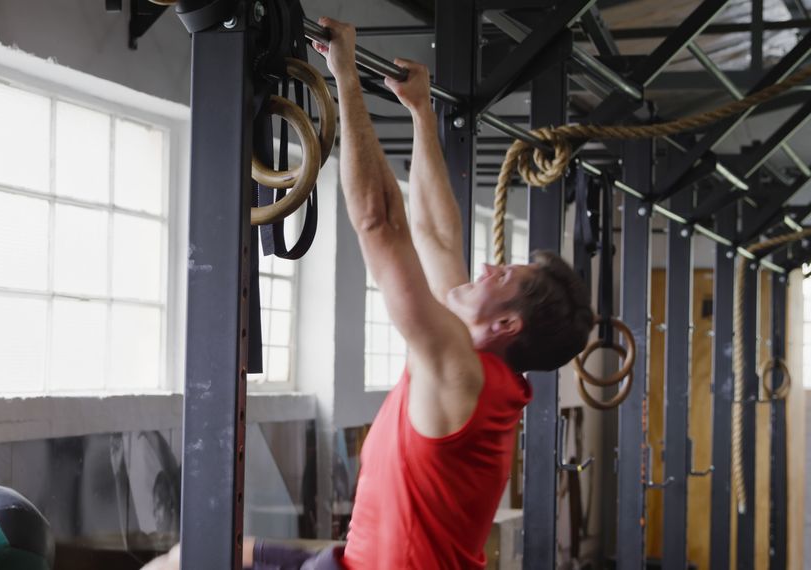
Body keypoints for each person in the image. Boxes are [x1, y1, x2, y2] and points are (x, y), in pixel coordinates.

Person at [144, 16, 593, 570]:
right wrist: (422, 113)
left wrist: (346, 76)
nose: (490, 267)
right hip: (353, 562)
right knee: (190, 560)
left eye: (506, 277)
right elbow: (434, 232)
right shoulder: (472, 358)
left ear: (507, 325)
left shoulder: (457, 365)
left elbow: (380, 222)